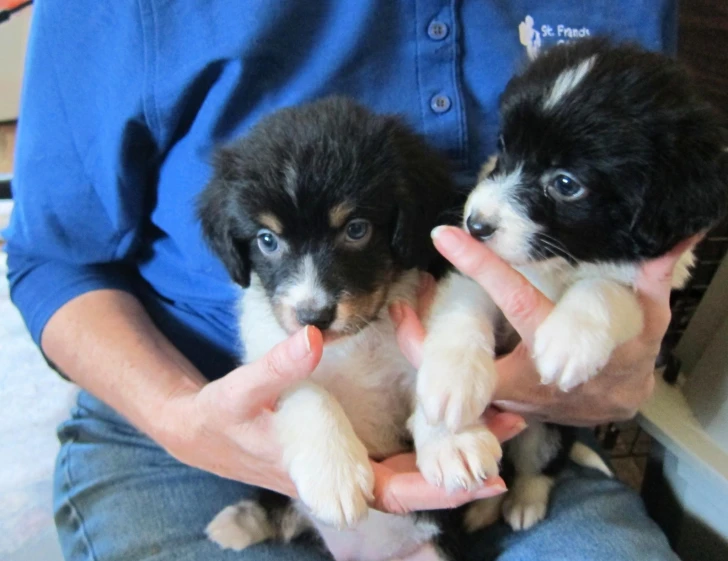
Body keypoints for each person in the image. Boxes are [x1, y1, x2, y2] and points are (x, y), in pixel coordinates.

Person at [5, 1, 686, 559]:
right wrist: (179, 417)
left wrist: (613, 369)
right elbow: (50, 257)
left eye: (355, 230)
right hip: (185, 402)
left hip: (506, 419)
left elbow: (639, 224)